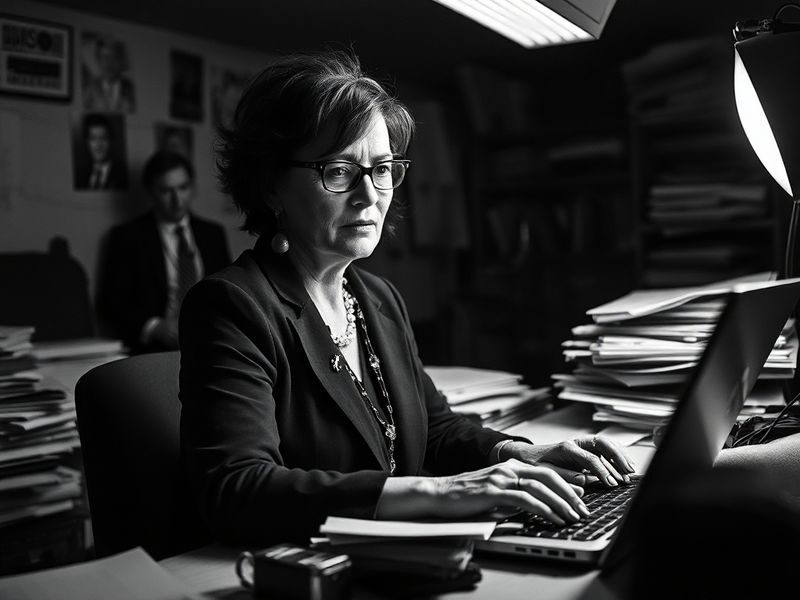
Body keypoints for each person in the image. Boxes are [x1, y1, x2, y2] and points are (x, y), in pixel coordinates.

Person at [178, 50, 636, 547]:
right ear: (271, 186)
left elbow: (434, 429)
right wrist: (435, 492)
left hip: (402, 554)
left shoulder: (377, 298)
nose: (369, 193)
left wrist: (519, 454)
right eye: (339, 170)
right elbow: (236, 488)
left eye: (382, 168)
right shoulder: (233, 304)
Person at [97, 150, 231, 353]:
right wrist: (155, 327)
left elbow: (228, 292)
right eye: (166, 190)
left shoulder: (212, 234)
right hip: (153, 350)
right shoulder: (128, 237)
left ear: (193, 187)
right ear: (151, 192)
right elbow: (110, 303)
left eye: (183, 187)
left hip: (213, 343)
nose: (177, 199)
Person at [74, 113, 127, 190]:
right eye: (93, 138)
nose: (98, 145)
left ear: (111, 141)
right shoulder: (79, 174)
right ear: (87, 142)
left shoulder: (123, 174)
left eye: (103, 138)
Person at [83, 35, 135, 112]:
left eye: (115, 57)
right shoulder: (91, 87)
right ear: (98, 60)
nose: (109, 63)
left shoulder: (129, 86)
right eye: (105, 57)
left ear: (121, 61)